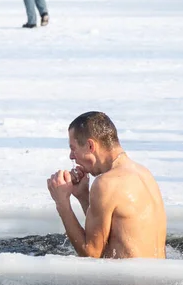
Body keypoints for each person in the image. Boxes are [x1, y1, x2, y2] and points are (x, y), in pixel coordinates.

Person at [46, 111, 167, 259]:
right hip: (156, 279)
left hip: (129, 282)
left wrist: (62, 203)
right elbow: (114, 237)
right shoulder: (144, 174)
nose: (71, 156)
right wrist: (84, 197)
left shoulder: (107, 183)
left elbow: (91, 253)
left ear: (90, 146)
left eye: (73, 148)